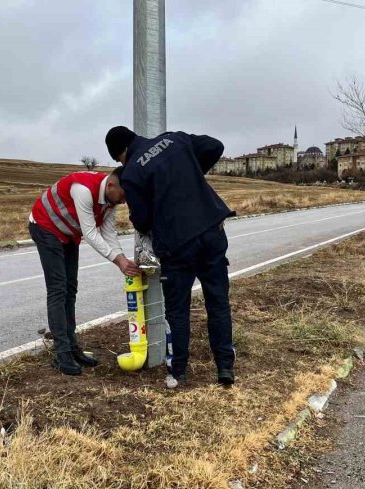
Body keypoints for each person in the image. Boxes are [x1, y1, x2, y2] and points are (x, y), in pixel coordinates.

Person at [105, 125, 236, 387]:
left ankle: (179, 372)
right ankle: (224, 368)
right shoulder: (173, 139)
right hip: (211, 230)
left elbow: (141, 221)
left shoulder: (131, 172)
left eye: (119, 159)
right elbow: (215, 146)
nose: (122, 163)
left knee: (177, 310)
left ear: (121, 153)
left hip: (177, 245)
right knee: (218, 301)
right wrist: (190, 175)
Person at [29, 169, 141, 376]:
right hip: (45, 227)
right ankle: (61, 354)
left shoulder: (111, 201)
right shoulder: (82, 189)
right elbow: (90, 233)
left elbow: (107, 232)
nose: (124, 202)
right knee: (58, 289)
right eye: (123, 196)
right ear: (111, 186)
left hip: (68, 233)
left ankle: (72, 347)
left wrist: (122, 259)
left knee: (70, 288)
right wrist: (118, 261)